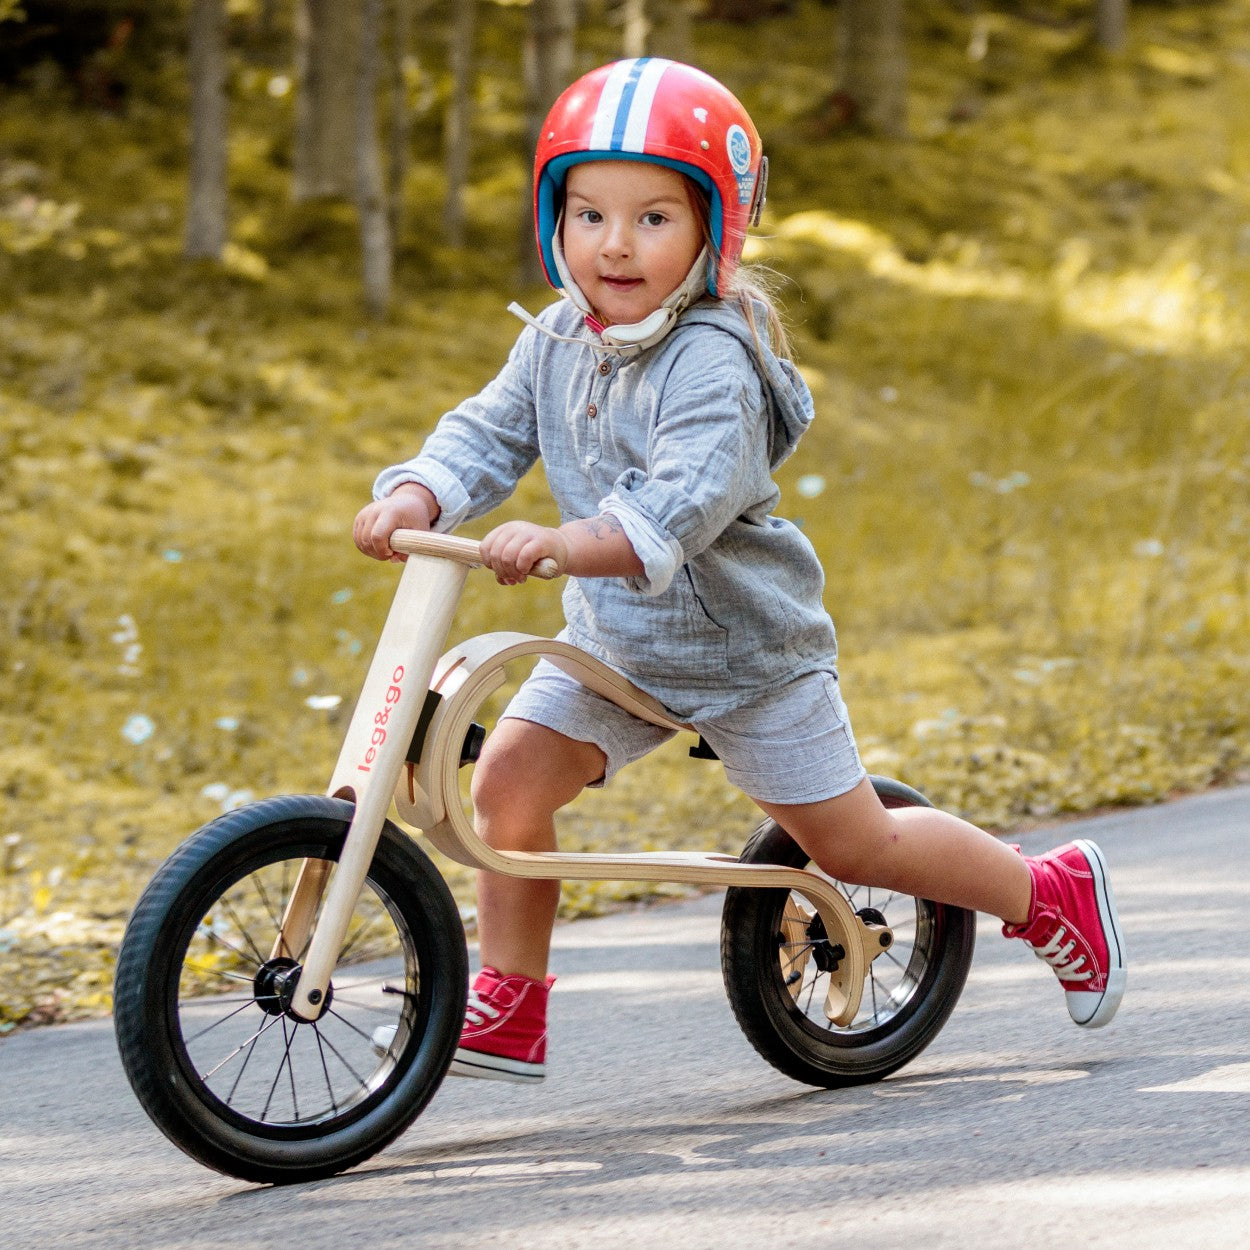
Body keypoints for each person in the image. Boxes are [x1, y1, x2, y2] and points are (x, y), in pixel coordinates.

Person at [355, 58, 1126, 1084]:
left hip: (745, 650)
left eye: (651, 219)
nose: (614, 244)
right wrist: (419, 495)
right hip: (617, 641)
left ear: (713, 228)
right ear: (554, 218)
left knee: (854, 847)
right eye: (588, 213)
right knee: (504, 786)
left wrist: (561, 542)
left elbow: (680, 497)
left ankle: (1049, 891)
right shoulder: (553, 339)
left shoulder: (713, 360)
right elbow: (485, 435)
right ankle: (510, 1004)